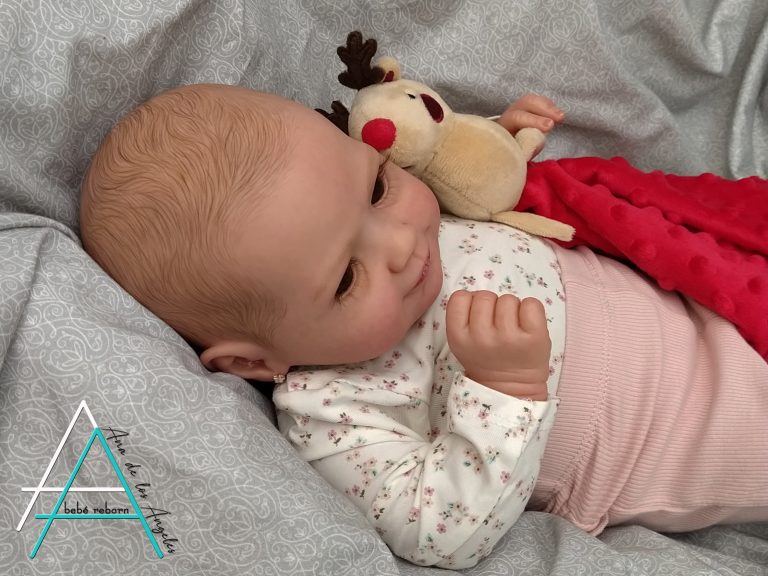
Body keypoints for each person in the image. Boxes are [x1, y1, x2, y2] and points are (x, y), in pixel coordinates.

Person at [79, 83, 768, 570]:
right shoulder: (331, 413)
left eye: (377, 187)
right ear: (253, 363)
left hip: (711, 304)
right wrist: (503, 390)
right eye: (346, 279)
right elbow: (442, 531)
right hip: (691, 435)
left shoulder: (406, 218)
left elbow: (475, 186)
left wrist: (499, 141)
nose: (403, 242)